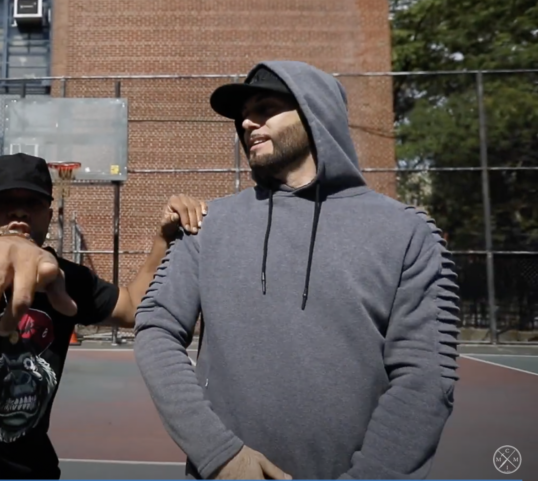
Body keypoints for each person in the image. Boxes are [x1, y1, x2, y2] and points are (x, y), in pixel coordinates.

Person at [133, 61, 461, 480]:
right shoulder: (206, 225)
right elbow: (155, 328)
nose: (247, 123)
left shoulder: (408, 232)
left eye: (266, 109)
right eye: (243, 116)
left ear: (315, 114)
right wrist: (219, 454)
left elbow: (425, 377)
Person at [0, 152, 208, 480]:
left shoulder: (62, 277)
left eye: (32, 203)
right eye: (3, 202)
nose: (18, 212)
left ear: (49, 214)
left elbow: (132, 306)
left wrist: (163, 238)